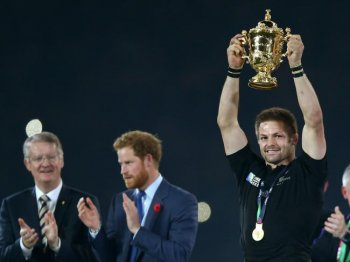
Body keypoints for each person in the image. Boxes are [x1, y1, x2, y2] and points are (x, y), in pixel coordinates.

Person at [217, 33, 327, 261]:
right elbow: (226, 123)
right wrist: (233, 70)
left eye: (278, 136)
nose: (270, 144)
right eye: (264, 137)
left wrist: (296, 66)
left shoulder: (307, 172)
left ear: (294, 139)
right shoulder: (249, 171)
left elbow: (314, 121)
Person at [77, 130, 198, 262]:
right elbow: (111, 257)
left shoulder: (181, 201)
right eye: (121, 164)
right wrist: (96, 228)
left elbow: (179, 255)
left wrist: (137, 230)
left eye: (128, 163)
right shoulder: (119, 201)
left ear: (148, 160)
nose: (122, 171)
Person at [0, 131, 99, 261]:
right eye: (38, 158)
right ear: (27, 164)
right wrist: (24, 246)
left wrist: (57, 244)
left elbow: (94, 257)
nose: (46, 164)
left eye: (51, 157)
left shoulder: (84, 203)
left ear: (62, 160)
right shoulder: (11, 205)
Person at [312, 164, 350, 262]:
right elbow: (312, 254)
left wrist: (346, 235)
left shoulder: (343, 230)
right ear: (345, 192)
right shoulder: (336, 226)